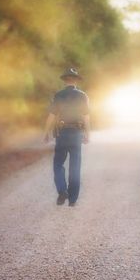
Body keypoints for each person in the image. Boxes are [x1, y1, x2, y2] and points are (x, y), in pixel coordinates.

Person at [43, 68, 90, 207]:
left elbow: (51, 116)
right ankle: (73, 199)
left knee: (58, 164)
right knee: (75, 166)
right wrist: (88, 134)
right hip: (76, 134)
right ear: (76, 80)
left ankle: (62, 191)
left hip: (62, 134)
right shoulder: (83, 96)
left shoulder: (58, 95)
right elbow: (86, 117)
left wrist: (46, 133)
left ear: (64, 81)